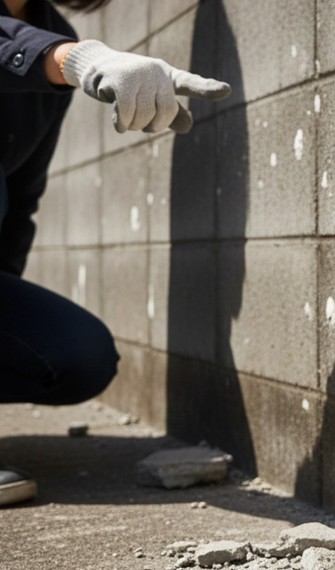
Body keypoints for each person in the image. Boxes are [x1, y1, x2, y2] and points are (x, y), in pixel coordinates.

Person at [0, 0, 231, 507]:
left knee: (79, 355)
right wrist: (79, 59)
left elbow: (20, 205)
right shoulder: (62, 48)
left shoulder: (54, 32)